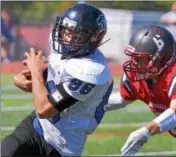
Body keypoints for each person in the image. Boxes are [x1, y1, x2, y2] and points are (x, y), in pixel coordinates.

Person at [1, 3, 113, 156]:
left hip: (63, 145)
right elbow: (29, 81)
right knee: (7, 149)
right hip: (37, 126)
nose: (68, 37)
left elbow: (44, 109)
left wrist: (35, 70)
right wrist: (31, 76)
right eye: (66, 30)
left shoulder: (92, 70)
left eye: (77, 35)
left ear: (94, 38)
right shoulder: (62, 45)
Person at [104, 26, 176, 156]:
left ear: (160, 59)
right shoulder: (142, 77)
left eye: (139, 59)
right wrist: (85, 104)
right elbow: (122, 99)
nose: (134, 64)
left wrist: (146, 131)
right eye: (133, 58)